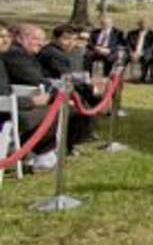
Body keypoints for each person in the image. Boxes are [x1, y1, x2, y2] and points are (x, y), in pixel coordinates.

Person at [4, 24, 90, 152]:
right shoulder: (16, 54)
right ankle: (40, 152)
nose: (40, 43)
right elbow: (34, 79)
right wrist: (54, 93)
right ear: (20, 38)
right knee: (67, 107)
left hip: (22, 98)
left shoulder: (25, 53)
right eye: (35, 39)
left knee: (74, 102)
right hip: (12, 106)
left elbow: (40, 79)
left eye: (42, 39)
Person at [0, 23, 57, 172]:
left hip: (9, 106)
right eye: (1, 37)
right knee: (54, 110)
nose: (6, 41)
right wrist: (31, 101)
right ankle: (41, 155)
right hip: (4, 114)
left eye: (7, 37)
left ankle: (34, 153)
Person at [125, 17, 153, 82]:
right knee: (122, 57)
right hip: (132, 53)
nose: (143, 25)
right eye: (141, 23)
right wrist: (131, 52)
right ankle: (118, 76)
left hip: (145, 53)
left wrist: (141, 53)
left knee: (147, 57)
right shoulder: (131, 33)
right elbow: (127, 44)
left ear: (149, 24)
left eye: (145, 23)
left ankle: (143, 77)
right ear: (138, 24)